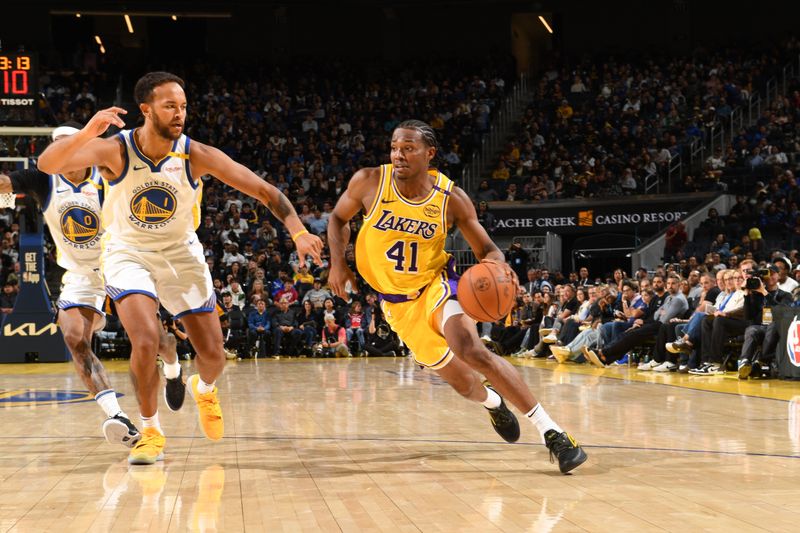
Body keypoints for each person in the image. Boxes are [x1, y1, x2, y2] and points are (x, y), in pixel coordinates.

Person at [37, 72, 323, 465]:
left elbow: (263, 190)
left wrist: (298, 231)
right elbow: (48, 163)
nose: (180, 114)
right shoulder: (114, 150)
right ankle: (150, 431)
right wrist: (89, 130)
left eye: (183, 106)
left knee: (214, 355)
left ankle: (203, 388)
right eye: (170, 106)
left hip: (181, 255)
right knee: (145, 338)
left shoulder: (195, 154)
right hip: (128, 253)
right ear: (146, 109)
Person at [327, 120, 586, 474]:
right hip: (397, 305)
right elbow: (338, 219)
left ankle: (552, 432)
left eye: (408, 148)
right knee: (465, 384)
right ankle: (494, 403)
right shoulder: (369, 181)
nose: (398, 155)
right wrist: (338, 265)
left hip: (436, 285)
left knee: (470, 349)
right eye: (394, 147)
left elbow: (489, 250)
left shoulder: (451, 199)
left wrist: (500, 270)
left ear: (429, 154)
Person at [0, 125, 185, 450]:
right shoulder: (43, 179)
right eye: (56, 148)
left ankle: (172, 368)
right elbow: (5, 186)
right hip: (81, 273)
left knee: (157, 340)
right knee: (73, 336)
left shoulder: (108, 173)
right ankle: (119, 417)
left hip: (120, 261)